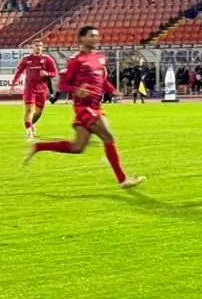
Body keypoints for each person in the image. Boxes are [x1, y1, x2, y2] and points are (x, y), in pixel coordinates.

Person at [24, 26, 144, 189]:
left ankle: (39, 146)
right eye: (92, 36)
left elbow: (102, 80)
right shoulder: (76, 60)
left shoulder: (100, 57)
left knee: (77, 147)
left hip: (96, 105)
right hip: (84, 107)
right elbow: (63, 84)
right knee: (108, 137)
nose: (96, 38)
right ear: (81, 38)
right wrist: (76, 90)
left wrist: (112, 89)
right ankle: (123, 179)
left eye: (97, 36)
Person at [11, 41, 59, 140]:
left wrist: (47, 73)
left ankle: (31, 124)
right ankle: (29, 133)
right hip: (30, 89)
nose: (39, 47)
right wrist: (13, 84)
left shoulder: (47, 59)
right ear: (31, 47)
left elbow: (54, 72)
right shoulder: (26, 59)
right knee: (29, 110)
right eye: (36, 45)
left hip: (42, 89)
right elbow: (19, 72)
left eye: (40, 45)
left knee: (38, 112)